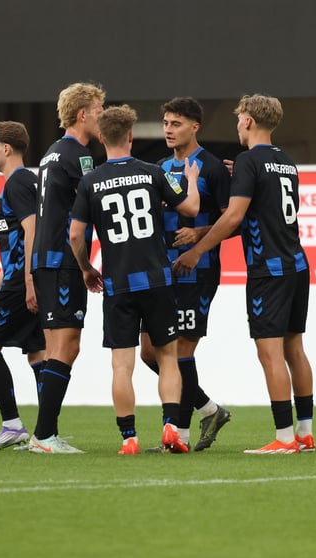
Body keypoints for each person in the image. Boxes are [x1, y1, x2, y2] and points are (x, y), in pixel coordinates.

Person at [173, 94, 316, 454]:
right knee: (294, 348)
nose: (237, 124)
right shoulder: (285, 162)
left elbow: (234, 217)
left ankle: (284, 439)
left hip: (268, 269)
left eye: (239, 119)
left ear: (249, 121)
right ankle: (304, 432)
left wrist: (196, 250)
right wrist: (245, 178)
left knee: (269, 353)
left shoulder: (249, 161)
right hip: (297, 264)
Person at [68, 104, 200, 455]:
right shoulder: (152, 172)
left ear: (100, 137)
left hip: (118, 284)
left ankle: (129, 437)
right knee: (168, 357)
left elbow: (76, 236)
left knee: (122, 364)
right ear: (130, 136)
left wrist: (86, 268)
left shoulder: (90, 181)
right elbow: (190, 209)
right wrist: (189, 180)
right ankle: (171, 425)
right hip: (156, 280)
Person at [140, 97, 232, 452]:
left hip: (199, 271)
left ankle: (178, 437)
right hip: (163, 271)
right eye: (165, 122)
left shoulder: (210, 167)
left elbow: (233, 220)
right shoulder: (160, 167)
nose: (167, 129)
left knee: (179, 353)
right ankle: (210, 409)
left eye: (175, 123)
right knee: (150, 352)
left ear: (195, 127)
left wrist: (200, 235)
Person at [28, 82, 105, 454]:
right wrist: (86, 265)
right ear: (82, 114)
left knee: (57, 344)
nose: (102, 116)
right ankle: (44, 435)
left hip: (44, 260)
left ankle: (44, 432)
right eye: (99, 109)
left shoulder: (50, 153)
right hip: (63, 261)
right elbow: (93, 208)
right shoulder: (80, 156)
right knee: (67, 345)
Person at [0, 121, 46, 451]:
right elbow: (18, 242)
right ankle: (48, 430)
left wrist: (28, 281)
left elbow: (32, 231)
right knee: (37, 354)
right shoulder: (24, 182)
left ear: (6, 149)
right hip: (18, 280)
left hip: (22, 284)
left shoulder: (18, 183)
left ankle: (12, 425)